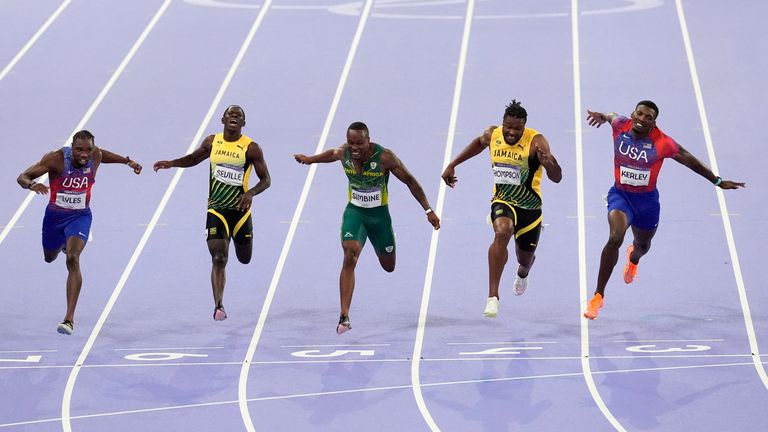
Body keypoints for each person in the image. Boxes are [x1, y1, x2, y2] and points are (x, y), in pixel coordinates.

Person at [583, 100, 745, 320]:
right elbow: (611, 115)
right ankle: (597, 296)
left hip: (647, 204)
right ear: (632, 114)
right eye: (639, 114)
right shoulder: (620, 124)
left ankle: (634, 259)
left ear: (654, 122)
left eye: (648, 117)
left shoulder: (662, 143)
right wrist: (602, 116)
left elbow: (689, 160)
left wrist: (717, 181)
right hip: (620, 196)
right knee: (614, 237)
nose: (641, 119)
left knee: (643, 245)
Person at [294, 121, 440, 334]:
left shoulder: (384, 158)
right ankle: (344, 316)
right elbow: (331, 154)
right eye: (350, 142)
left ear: (368, 141)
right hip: (356, 213)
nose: (354, 147)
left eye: (359, 143)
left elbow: (409, 180)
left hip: (379, 217)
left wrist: (428, 210)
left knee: (389, 266)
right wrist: (310, 160)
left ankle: (384, 241)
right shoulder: (344, 153)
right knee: (349, 254)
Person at [441, 99, 562, 318]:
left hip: (530, 208)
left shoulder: (536, 142)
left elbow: (557, 178)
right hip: (503, 200)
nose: (512, 132)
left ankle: (523, 272)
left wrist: (549, 163)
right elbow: (479, 143)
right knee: (502, 231)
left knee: (524, 258)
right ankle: (493, 297)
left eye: (517, 129)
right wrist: (453, 164)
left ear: (524, 127)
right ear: (502, 123)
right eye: (508, 127)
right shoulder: (493, 134)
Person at [17, 130, 143, 335]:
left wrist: (128, 162)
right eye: (79, 150)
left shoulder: (96, 156)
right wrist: (32, 184)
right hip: (54, 218)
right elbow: (22, 176)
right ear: (71, 148)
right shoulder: (56, 159)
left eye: (88, 150)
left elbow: (105, 154)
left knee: (73, 259)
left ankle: (68, 319)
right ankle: (62, 246)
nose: (84, 154)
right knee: (49, 257)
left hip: (80, 217)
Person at [154, 105, 271, 321]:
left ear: (243, 124)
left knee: (244, 259)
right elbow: (192, 159)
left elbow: (266, 180)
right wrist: (171, 163)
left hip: (241, 213)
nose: (234, 117)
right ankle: (219, 305)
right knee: (218, 257)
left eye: (239, 116)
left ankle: (239, 244)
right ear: (223, 119)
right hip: (216, 209)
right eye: (230, 114)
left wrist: (251, 193)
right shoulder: (212, 142)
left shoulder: (251, 148)